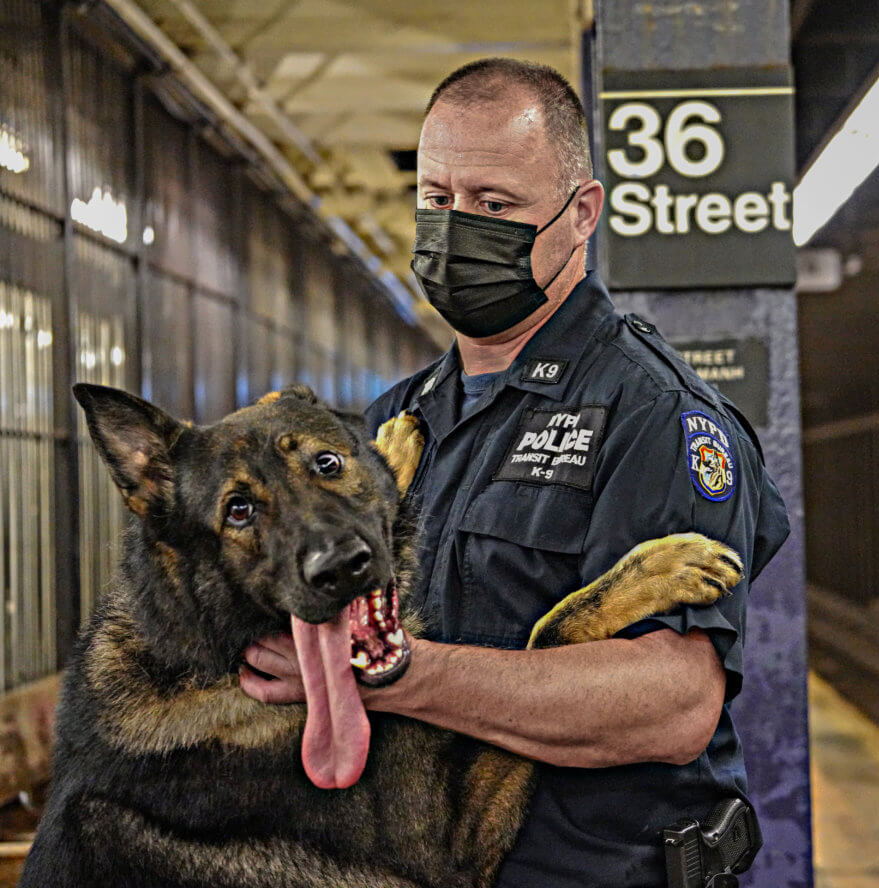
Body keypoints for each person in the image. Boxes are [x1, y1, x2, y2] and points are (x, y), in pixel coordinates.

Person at [241, 57, 790, 886]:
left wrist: (396, 674)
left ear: (581, 214)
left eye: (495, 205)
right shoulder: (399, 418)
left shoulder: (651, 414)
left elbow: (672, 705)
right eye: (438, 199)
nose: (457, 229)